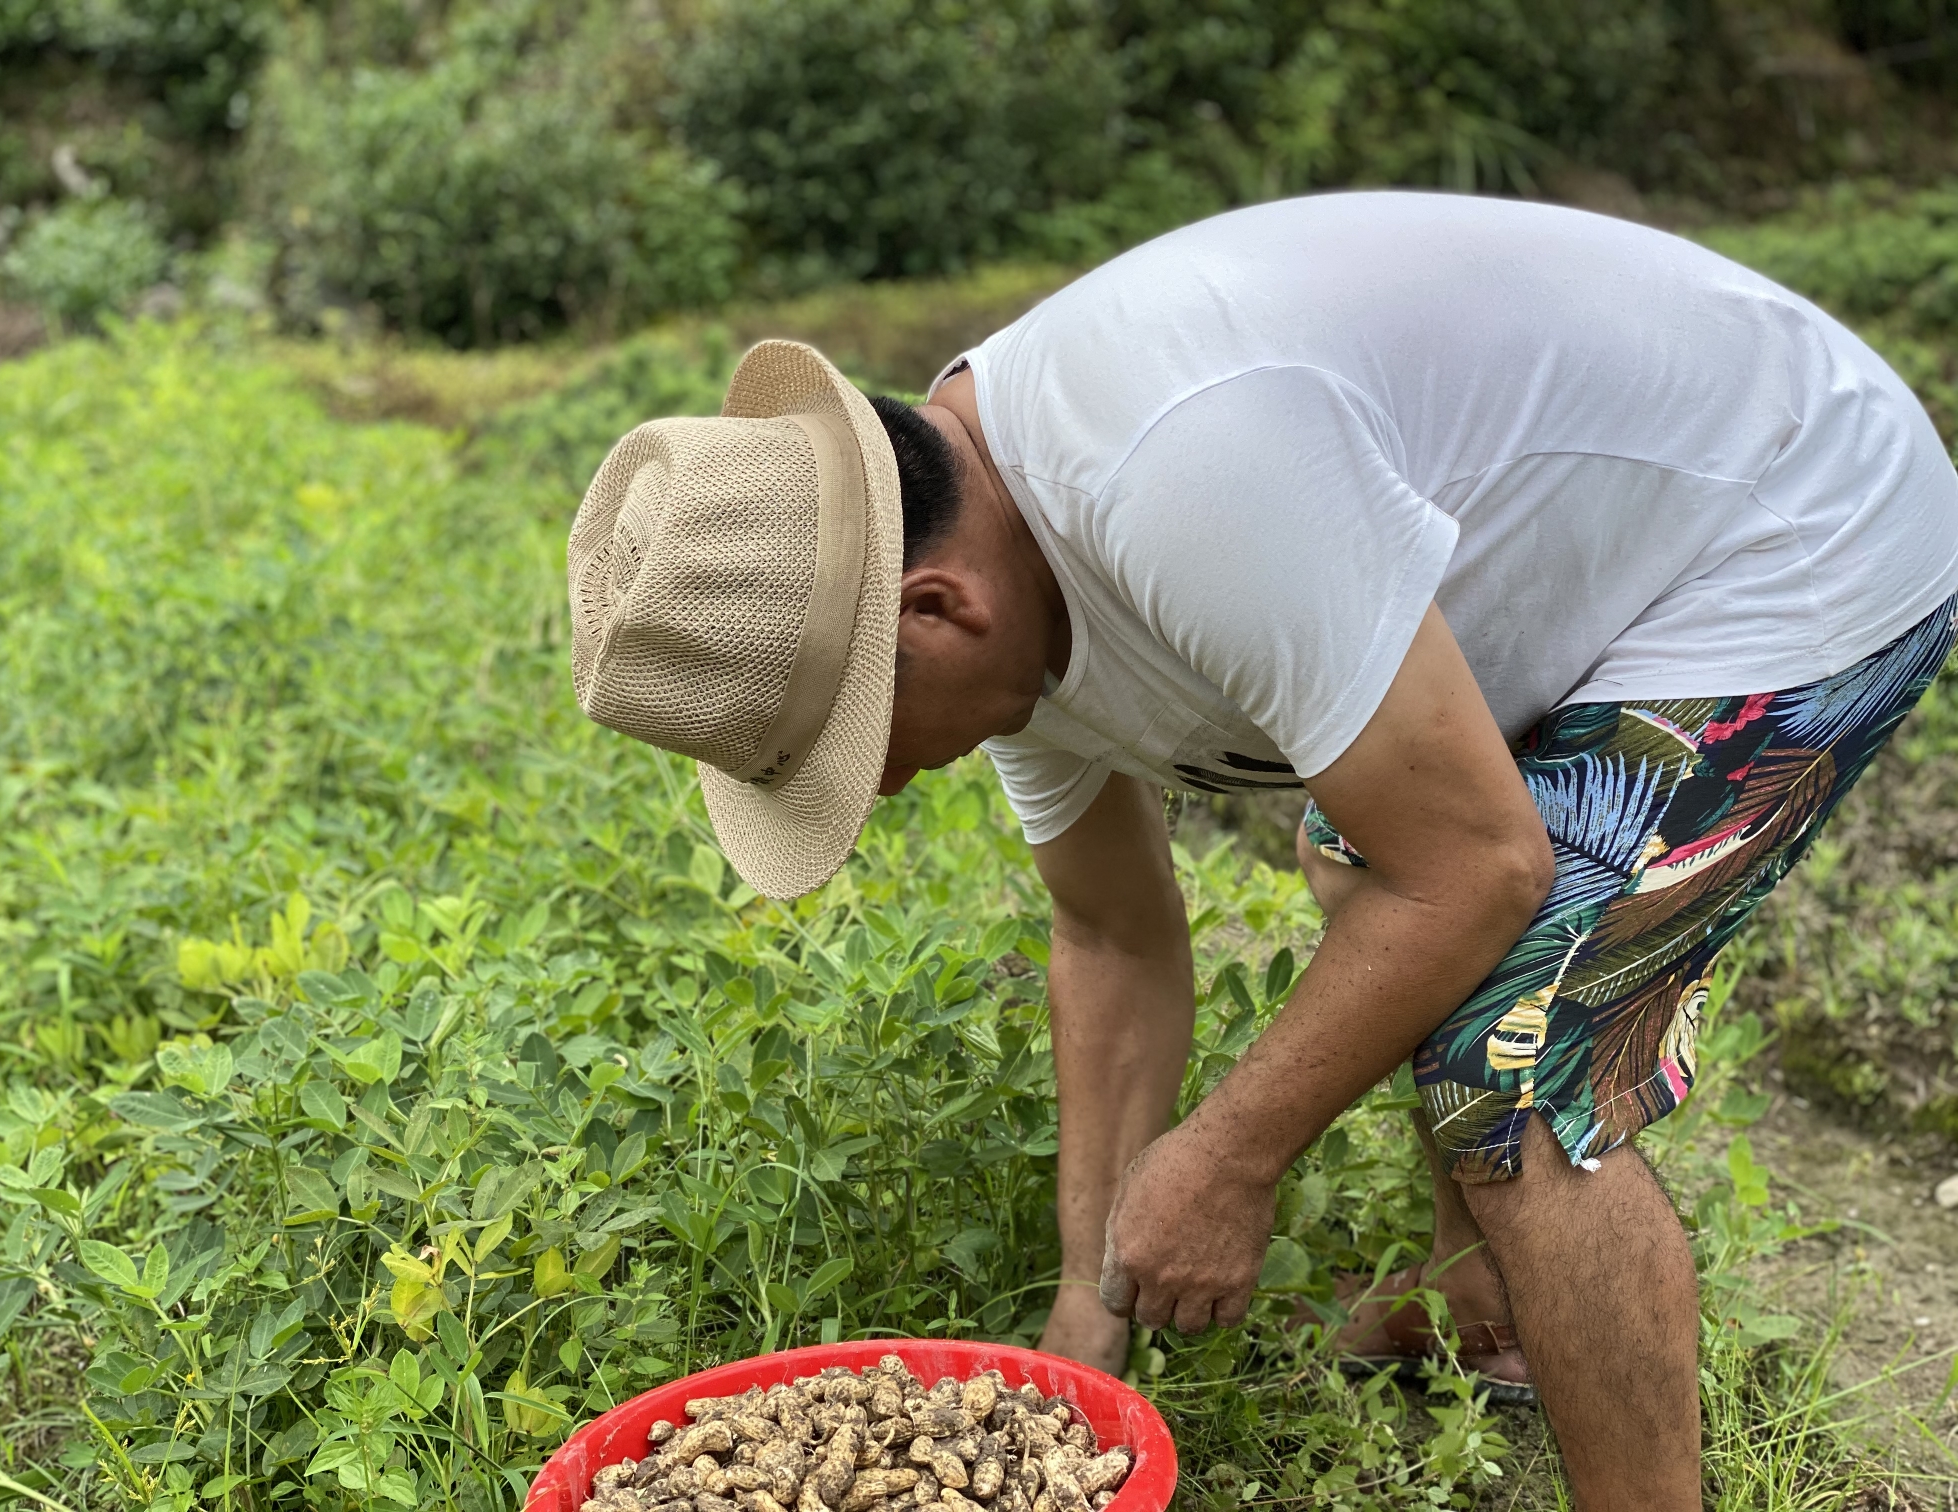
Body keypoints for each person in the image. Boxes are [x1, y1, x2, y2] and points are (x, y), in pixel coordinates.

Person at [564, 191, 1958, 1512]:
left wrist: (1230, 1158)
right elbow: (1112, 932)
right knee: (1362, 845)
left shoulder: (1182, 473)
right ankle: (1484, 1304)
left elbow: (1480, 868)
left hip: (1791, 517)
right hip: (1603, 548)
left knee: (1510, 1059)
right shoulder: (986, 567)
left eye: (854, 739)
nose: (875, 785)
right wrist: (1086, 1307)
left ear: (936, 613)